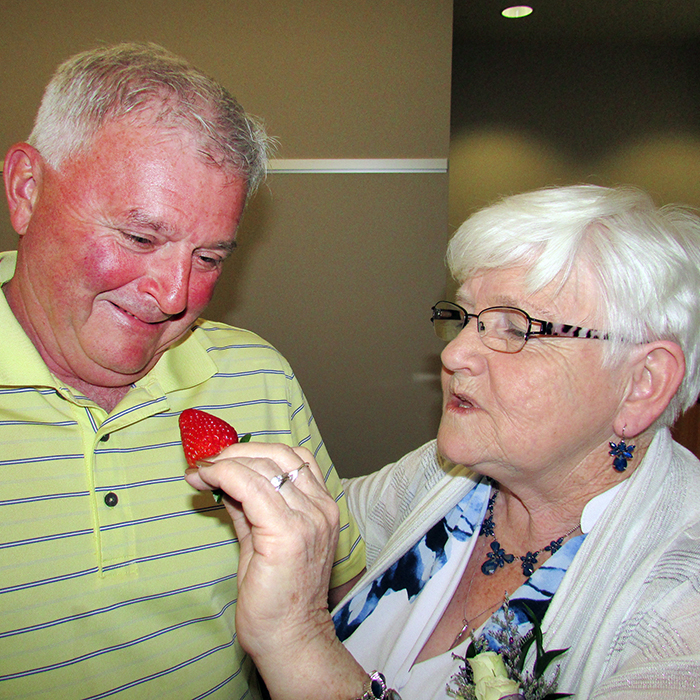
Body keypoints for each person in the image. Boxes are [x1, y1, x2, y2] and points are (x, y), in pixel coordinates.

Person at [186, 184, 700, 700]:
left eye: (513, 328)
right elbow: (324, 527)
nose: (454, 354)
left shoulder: (682, 600)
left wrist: (297, 639)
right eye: (465, 318)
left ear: (643, 383)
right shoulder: (452, 478)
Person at [0, 42, 365, 700]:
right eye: (140, 238)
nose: (174, 294)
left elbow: (335, 605)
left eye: (210, 257)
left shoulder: (261, 378)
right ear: (26, 191)